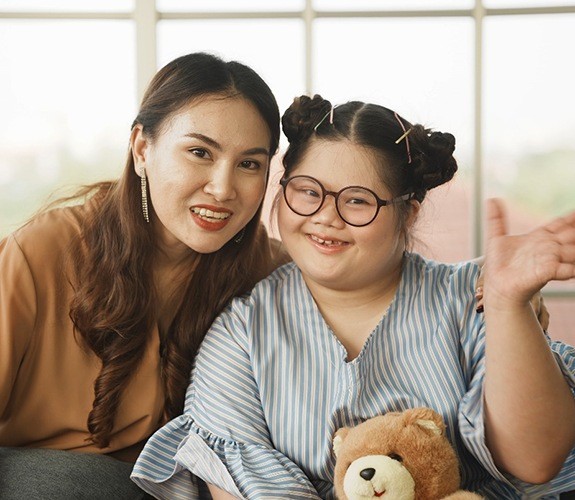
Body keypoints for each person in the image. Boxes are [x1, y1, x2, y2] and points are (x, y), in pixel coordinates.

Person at [132, 94, 575, 499]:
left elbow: (536, 462)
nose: (326, 217)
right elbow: (236, 484)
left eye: (358, 201)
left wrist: (508, 303)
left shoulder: (471, 299)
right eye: (307, 192)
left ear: (408, 213)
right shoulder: (243, 331)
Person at [0, 52, 289, 499]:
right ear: (141, 149)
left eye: (249, 164)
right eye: (199, 152)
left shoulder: (267, 271)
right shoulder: (45, 249)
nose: (223, 187)